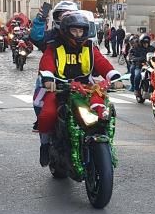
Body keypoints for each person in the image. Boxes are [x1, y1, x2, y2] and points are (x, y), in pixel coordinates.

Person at [36, 12, 120, 165]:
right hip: (61, 87)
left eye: (80, 31)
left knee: (106, 111)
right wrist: (48, 78)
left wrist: (113, 76)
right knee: (47, 115)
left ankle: (105, 142)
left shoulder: (89, 46)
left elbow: (101, 62)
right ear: (66, 30)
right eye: (74, 30)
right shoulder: (54, 45)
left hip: (87, 88)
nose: (78, 34)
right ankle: (45, 144)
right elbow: (46, 62)